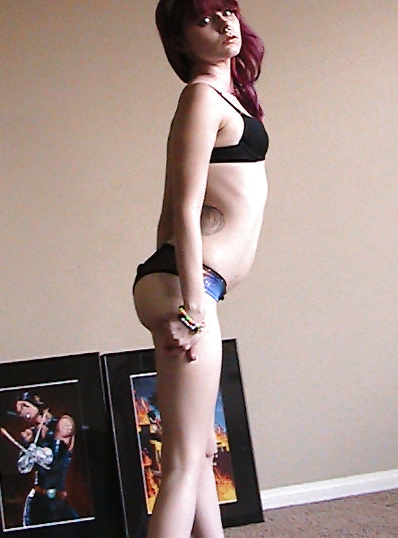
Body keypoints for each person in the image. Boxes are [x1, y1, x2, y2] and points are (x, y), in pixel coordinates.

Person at [132, 1, 268, 536]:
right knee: (184, 462)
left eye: (226, 10)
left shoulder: (224, 97)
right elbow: (185, 211)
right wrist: (191, 308)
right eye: (204, 19)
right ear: (181, 41)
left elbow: (167, 212)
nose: (224, 23)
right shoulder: (201, 97)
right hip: (191, 287)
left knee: (202, 450)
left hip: (187, 284)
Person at [10, 392, 78, 526]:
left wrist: (35, 450)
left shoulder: (62, 424)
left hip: (58, 500)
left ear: (38, 404)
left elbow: (53, 459)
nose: (22, 412)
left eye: (25, 406)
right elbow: (23, 468)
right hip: (37, 500)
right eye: (19, 410)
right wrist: (27, 448)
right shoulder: (31, 434)